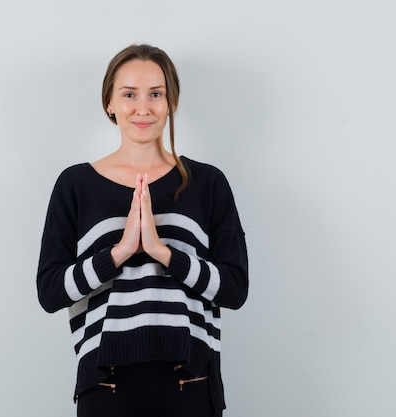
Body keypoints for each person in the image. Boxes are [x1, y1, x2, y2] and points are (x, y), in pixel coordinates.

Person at [36, 44, 248, 417]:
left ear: (171, 103)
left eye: (156, 94)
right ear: (110, 103)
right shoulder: (75, 185)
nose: (143, 108)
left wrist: (163, 252)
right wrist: (118, 252)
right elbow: (51, 292)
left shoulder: (208, 183)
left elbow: (234, 288)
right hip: (106, 386)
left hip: (191, 383)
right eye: (129, 94)